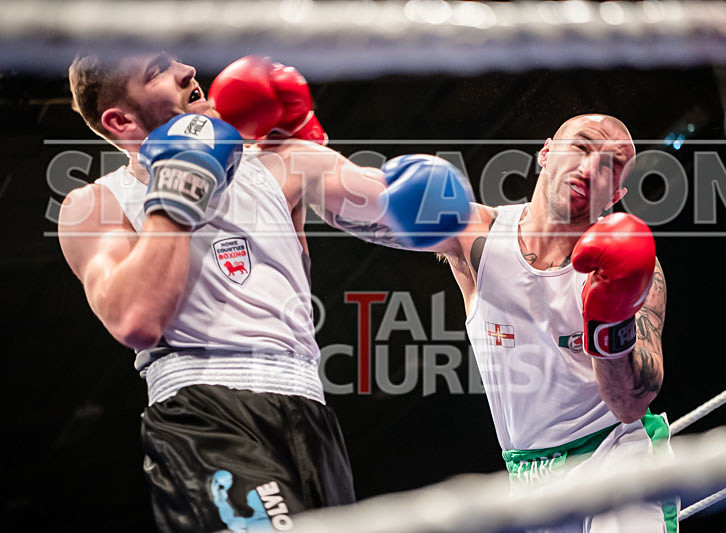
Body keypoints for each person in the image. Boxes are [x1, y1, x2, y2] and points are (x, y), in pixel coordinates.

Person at [58, 51, 472, 532]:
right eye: (158, 73)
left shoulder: (283, 163)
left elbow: (421, 215)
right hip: (205, 415)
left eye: (176, 62)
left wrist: (434, 198)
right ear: (121, 121)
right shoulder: (96, 204)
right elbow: (136, 320)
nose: (187, 72)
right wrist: (176, 188)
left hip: (309, 412)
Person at [427, 114, 678, 532]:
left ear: (616, 194)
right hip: (529, 482)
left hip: (616, 455)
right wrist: (307, 166)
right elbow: (383, 221)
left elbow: (631, 403)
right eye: (581, 147)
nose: (588, 168)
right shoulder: (479, 233)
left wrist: (610, 322)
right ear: (546, 152)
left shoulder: (641, 270)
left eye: (610, 165)